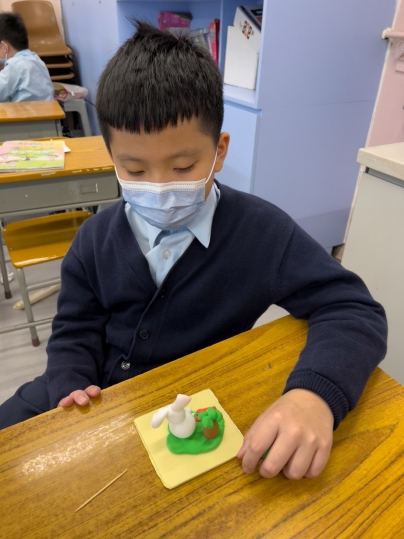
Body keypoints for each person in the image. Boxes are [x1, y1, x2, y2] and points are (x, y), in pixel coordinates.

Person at [0, 21, 387, 481]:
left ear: (219, 152)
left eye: (183, 167)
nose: (160, 187)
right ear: (112, 157)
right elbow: (74, 328)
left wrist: (315, 396)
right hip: (95, 396)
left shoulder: (261, 234)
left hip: (189, 407)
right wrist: (72, 383)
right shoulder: (94, 238)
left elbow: (352, 309)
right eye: (135, 170)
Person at [0, 12, 54, 102]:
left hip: (25, 111)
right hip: (48, 110)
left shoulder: (14, 66)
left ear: (4, 47)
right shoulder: (36, 59)